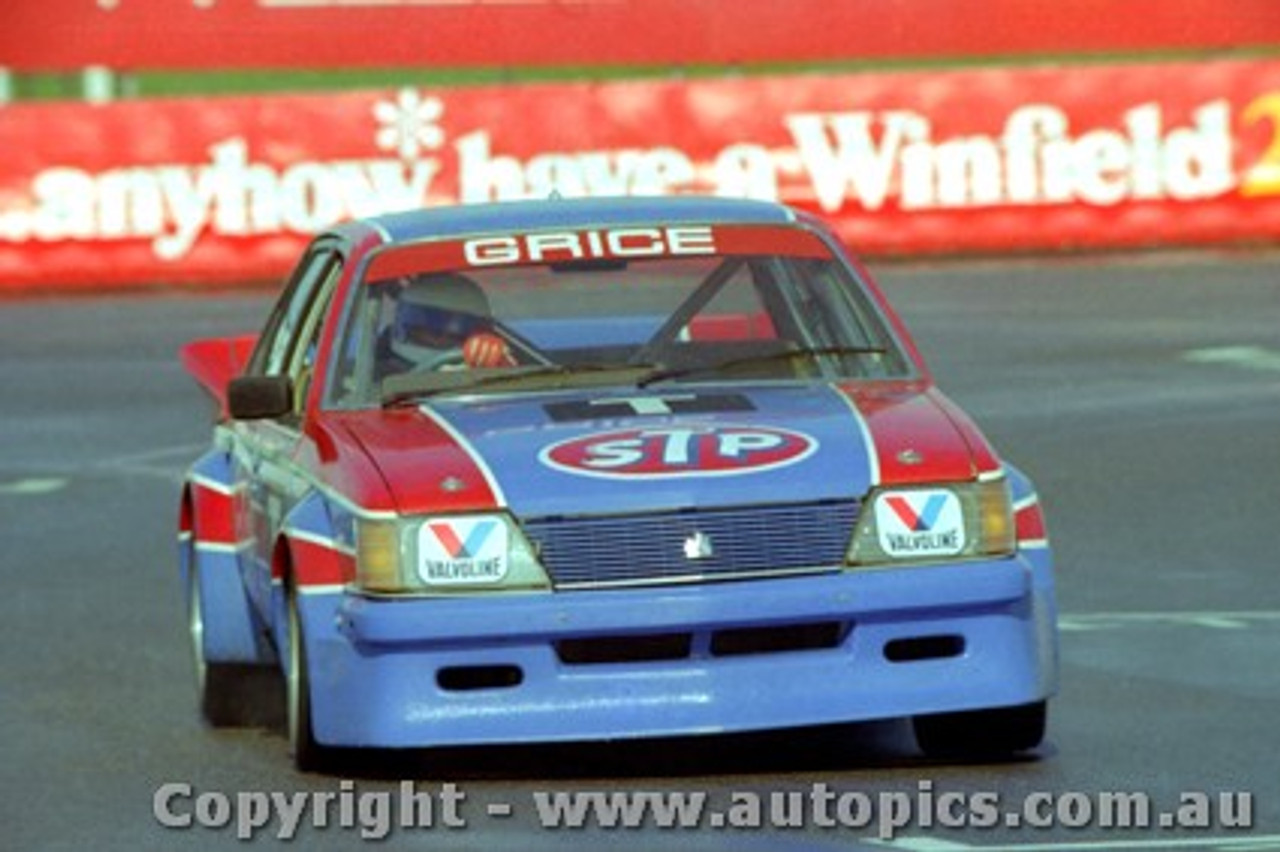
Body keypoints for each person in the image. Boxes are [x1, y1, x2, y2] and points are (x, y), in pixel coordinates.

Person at [383, 272, 516, 373]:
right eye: (429, 329)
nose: (439, 338)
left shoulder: (488, 361)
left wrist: (499, 366)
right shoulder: (377, 366)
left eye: (453, 334)